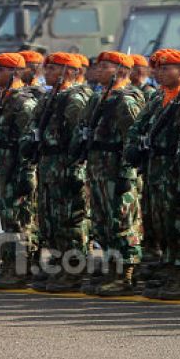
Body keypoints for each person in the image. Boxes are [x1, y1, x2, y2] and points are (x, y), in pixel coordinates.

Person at [126, 49, 180, 300]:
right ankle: (169, 273)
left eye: (165, 68)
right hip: (156, 171)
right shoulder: (159, 99)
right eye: (157, 68)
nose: (158, 72)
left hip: (176, 173)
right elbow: (138, 128)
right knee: (160, 226)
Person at [76, 51, 146, 296]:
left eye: (105, 66)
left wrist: (128, 173)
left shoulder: (126, 100)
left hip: (117, 172)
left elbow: (134, 139)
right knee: (103, 223)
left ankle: (125, 275)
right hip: (98, 170)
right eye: (98, 65)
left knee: (121, 223)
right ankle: (110, 269)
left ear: (122, 71)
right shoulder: (99, 98)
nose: (98, 70)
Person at [27, 52, 92, 293]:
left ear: (69, 72)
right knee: (50, 219)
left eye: (54, 68)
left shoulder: (75, 99)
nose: (48, 72)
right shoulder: (50, 96)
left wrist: (76, 168)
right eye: (48, 68)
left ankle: (73, 268)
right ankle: (58, 263)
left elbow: (78, 138)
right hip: (49, 164)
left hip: (65, 164)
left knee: (69, 219)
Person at [0, 53, 40, 289]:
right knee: (2, 218)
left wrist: (27, 172)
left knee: (18, 219)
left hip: (14, 168)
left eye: (0, 70)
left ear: (15, 73)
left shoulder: (24, 103)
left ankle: (21, 268)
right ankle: (8, 264)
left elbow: (28, 142)